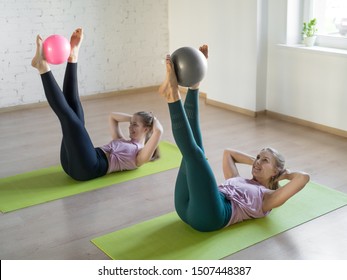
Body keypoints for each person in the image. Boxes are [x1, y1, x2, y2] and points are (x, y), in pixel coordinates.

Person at [158, 45, 310, 232]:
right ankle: (194, 86)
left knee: (195, 155)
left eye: (265, 160)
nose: (258, 161)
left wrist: (284, 174)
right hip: (185, 206)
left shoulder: (268, 198)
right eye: (258, 156)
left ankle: (172, 96)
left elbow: (303, 178)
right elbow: (228, 154)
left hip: (211, 217)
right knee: (195, 150)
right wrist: (256, 163)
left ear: (275, 172)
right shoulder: (237, 179)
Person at [31, 28, 163, 181]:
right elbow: (113, 117)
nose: (130, 127)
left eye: (135, 125)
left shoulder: (140, 156)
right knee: (77, 116)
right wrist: (135, 118)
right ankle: (72, 56)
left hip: (88, 169)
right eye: (131, 124)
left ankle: (42, 67)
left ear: (147, 129)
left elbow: (158, 131)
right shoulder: (120, 139)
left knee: (70, 120)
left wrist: (152, 124)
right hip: (73, 161)